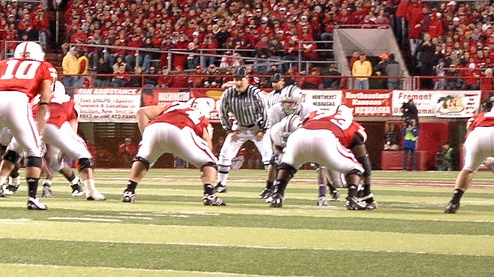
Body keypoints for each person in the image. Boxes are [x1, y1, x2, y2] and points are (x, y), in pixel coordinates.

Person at [0, 41, 55, 210]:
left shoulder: (3, 63)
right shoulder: (44, 67)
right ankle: (32, 198)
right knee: (33, 151)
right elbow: (44, 101)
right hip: (18, 100)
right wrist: (40, 131)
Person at [121, 97, 224, 206]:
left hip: (154, 127)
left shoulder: (173, 106)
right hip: (180, 130)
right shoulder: (201, 116)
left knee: (144, 159)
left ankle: (129, 191)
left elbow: (141, 112)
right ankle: (209, 195)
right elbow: (208, 145)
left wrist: (146, 137)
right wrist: (209, 138)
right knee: (209, 162)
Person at [265, 104, 369, 210]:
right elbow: (363, 159)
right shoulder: (351, 123)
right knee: (356, 168)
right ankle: (352, 198)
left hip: (298, 136)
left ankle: (277, 195)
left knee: (288, 165)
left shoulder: (314, 114)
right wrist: (368, 193)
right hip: (326, 138)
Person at [214, 67, 272, 196]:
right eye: (236, 79)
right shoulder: (228, 93)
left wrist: (263, 129)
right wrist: (229, 130)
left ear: (247, 80)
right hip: (239, 127)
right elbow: (222, 112)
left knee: (268, 156)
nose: (238, 83)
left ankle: (270, 187)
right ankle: (221, 184)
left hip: (256, 127)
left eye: (241, 79)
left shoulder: (256, 93)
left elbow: (265, 112)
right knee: (224, 154)